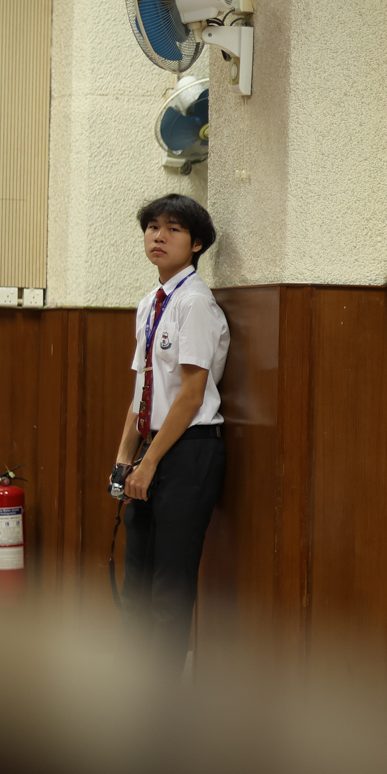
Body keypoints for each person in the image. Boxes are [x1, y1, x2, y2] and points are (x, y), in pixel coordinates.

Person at [112, 194, 229, 671]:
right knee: (137, 576)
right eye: (152, 227)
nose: (158, 236)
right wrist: (125, 460)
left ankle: (161, 695)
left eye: (173, 229)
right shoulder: (150, 302)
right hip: (153, 446)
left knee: (170, 585)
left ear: (196, 243)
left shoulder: (195, 302)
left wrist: (152, 462)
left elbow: (191, 394)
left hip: (189, 450)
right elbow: (143, 388)